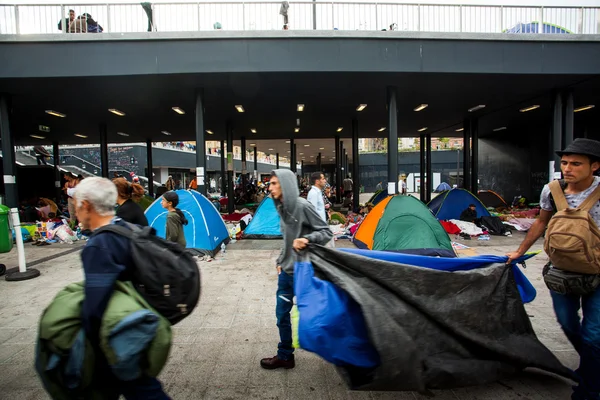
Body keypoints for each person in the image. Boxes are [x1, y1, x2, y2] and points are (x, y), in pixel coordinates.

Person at [507, 138, 600, 400]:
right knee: (568, 323)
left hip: (598, 270)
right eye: (565, 162)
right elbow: (540, 223)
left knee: (594, 335)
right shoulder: (552, 191)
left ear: (595, 166)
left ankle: (590, 389)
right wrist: (519, 251)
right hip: (561, 270)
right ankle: (593, 365)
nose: (568, 168)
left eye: (576, 164)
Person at [73, 177, 170, 399]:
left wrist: (85, 340)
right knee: (141, 386)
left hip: (119, 331)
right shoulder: (124, 227)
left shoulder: (100, 244)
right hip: (139, 319)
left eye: (77, 205)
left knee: (142, 389)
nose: (75, 212)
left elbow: (95, 305)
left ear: (86, 205)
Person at [260, 169, 333, 370]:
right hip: (286, 273)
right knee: (281, 314)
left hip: (305, 272)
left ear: (286, 185)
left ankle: (337, 350)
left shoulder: (302, 206)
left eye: (274, 183)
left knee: (317, 315)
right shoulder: (282, 207)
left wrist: (307, 239)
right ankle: (285, 356)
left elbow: (325, 232)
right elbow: (288, 238)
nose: (270, 187)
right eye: (270, 183)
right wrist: (279, 260)